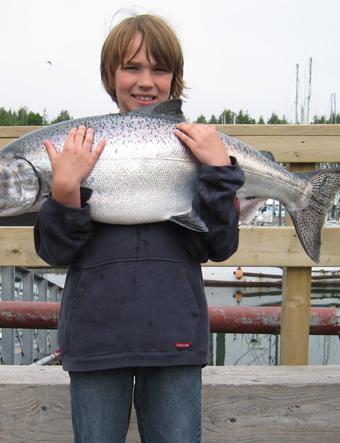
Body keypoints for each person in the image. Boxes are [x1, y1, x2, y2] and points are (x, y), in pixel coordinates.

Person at [34, 13, 245, 442]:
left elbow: (220, 245)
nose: (145, 81)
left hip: (176, 340)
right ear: (110, 76)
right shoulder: (77, 149)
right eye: (132, 67)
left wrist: (220, 172)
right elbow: (55, 252)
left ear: (175, 79)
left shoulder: (202, 151)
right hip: (95, 341)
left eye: (159, 69)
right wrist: (64, 191)